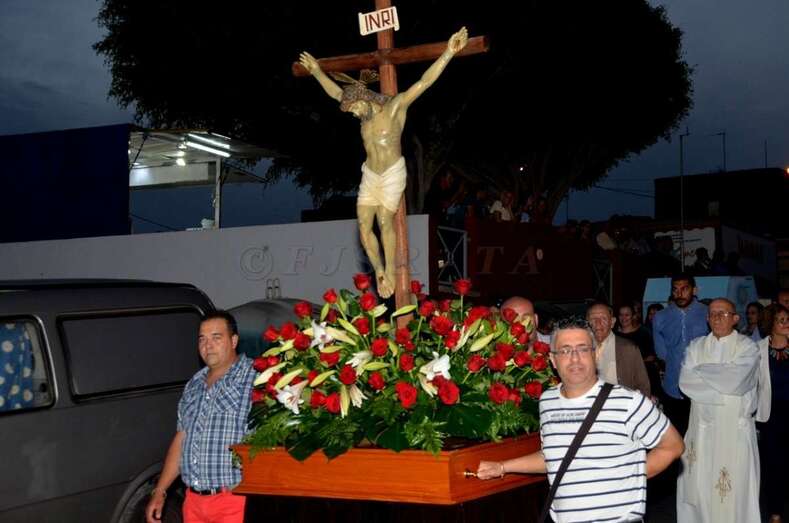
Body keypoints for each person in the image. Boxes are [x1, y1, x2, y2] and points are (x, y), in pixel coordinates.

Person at [298, 28, 469, 298]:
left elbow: (424, 82)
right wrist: (317, 71)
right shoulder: (362, 116)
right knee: (364, 225)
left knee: (384, 221)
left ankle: (390, 269)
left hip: (391, 173)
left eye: (354, 108)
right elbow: (335, 93)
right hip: (370, 174)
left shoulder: (394, 108)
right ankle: (378, 269)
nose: (354, 114)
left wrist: (448, 52)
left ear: (364, 99)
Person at [475, 317, 683, 523]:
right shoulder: (547, 401)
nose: (575, 358)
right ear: (553, 359)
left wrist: (629, 477)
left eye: (583, 349)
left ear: (595, 354)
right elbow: (553, 458)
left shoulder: (628, 401)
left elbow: (673, 446)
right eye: (565, 350)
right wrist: (502, 467)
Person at [146, 311, 256, 523]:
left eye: (216, 337)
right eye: (202, 339)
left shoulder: (254, 378)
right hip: (193, 502)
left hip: (234, 500)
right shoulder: (193, 385)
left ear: (234, 341)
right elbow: (181, 438)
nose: (208, 345)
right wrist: (160, 491)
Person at [676, 298, 760, 523]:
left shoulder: (747, 347)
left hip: (735, 431)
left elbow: (737, 379)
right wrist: (723, 386)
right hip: (701, 430)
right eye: (712, 314)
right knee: (700, 486)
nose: (716, 318)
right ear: (707, 318)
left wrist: (702, 372)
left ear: (735, 318)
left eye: (723, 313)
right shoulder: (696, 346)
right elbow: (686, 381)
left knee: (736, 488)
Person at [653, 274, 709, 435]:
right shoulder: (661, 317)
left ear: (694, 290)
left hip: (703, 386)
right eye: (675, 290)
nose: (679, 293)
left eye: (684, 289)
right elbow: (661, 354)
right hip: (673, 386)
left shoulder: (708, 313)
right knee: (677, 436)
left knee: (702, 436)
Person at [756, 304, 789, 523]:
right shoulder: (757, 350)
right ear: (771, 324)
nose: (786, 324)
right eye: (781, 320)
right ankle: (775, 512)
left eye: (788, 319)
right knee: (773, 467)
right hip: (771, 417)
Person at [586, 302, 651, 398]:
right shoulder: (580, 349)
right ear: (587, 322)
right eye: (593, 318)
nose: (598, 323)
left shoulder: (628, 348)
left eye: (603, 318)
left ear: (612, 322)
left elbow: (643, 386)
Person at [616, 303, 662, 398]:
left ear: (633, 316)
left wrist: (631, 363)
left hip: (645, 375)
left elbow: (652, 356)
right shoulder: (614, 334)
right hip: (621, 377)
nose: (623, 318)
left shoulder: (644, 332)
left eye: (627, 315)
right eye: (621, 315)